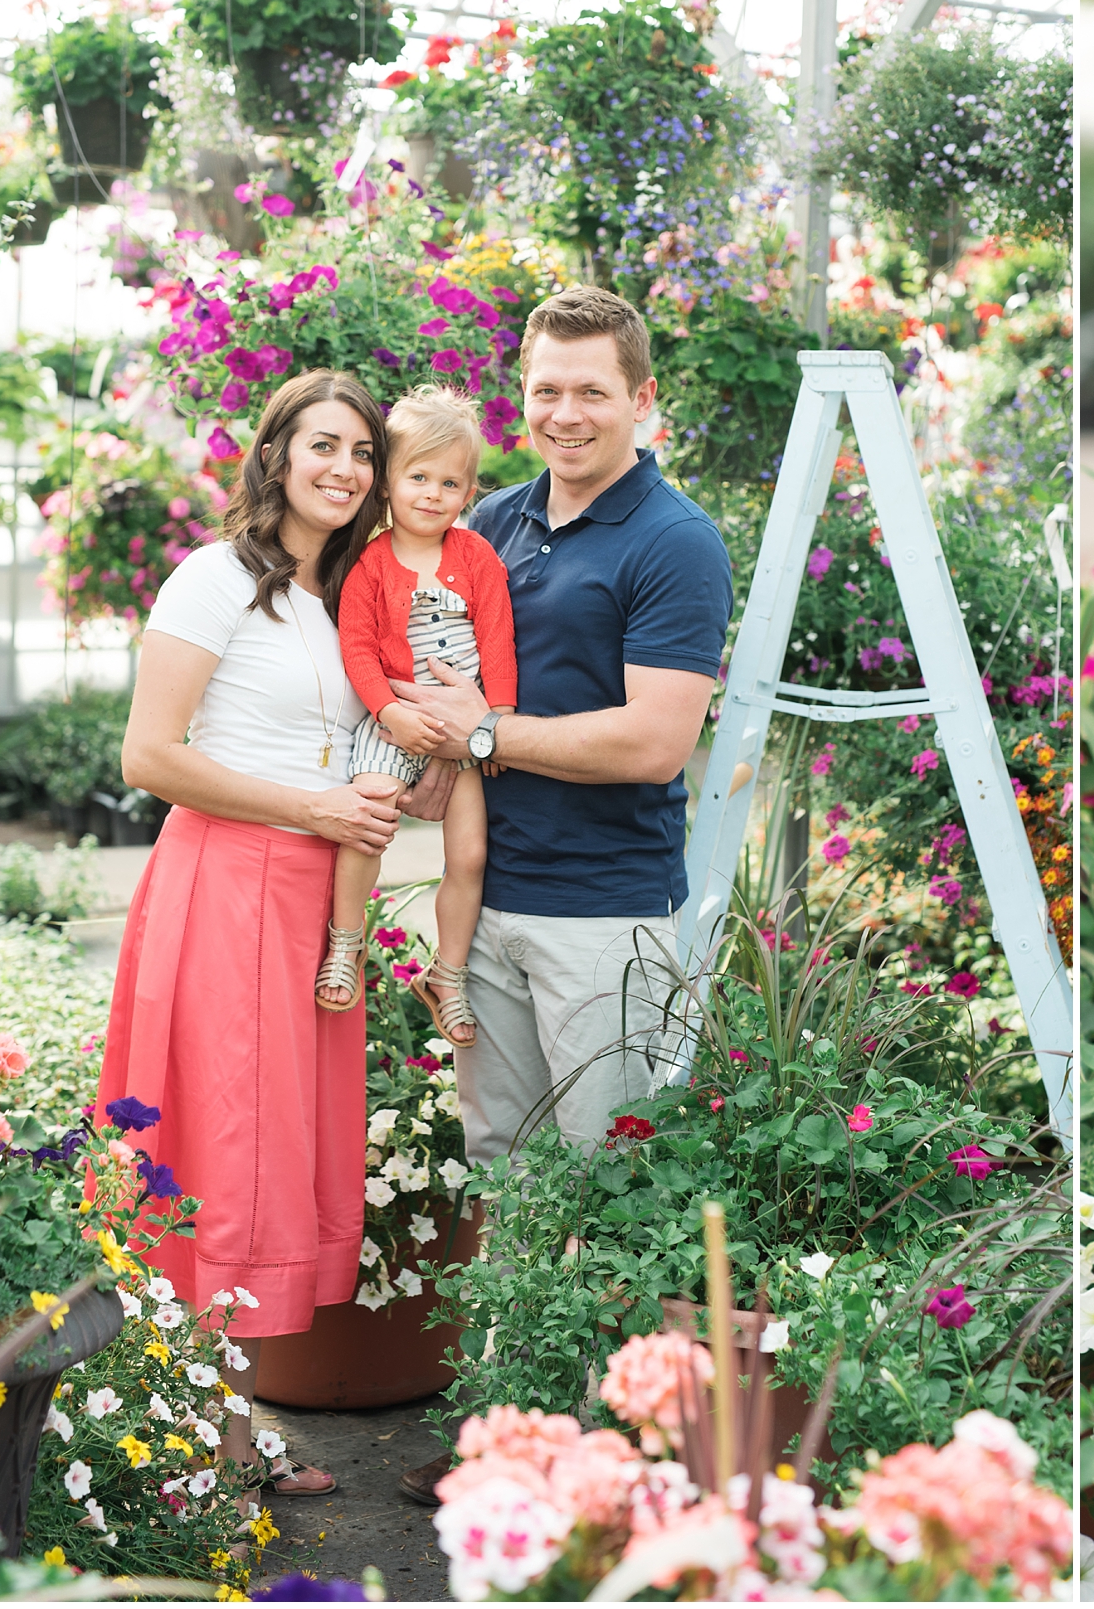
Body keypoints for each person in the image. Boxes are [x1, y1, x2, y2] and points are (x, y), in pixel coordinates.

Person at [379, 285, 731, 1506]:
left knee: (616, 1177)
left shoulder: (674, 539)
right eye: (544, 390)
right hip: (491, 895)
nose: (565, 412)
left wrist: (486, 736)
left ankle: (628, 1460)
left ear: (643, 400)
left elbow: (653, 742)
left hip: (604, 910)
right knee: (509, 1175)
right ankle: (510, 1434)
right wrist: (432, 756)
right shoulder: (490, 519)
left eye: (591, 390)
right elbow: (448, 687)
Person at [100, 370, 402, 1503]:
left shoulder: (350, 595)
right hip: (226, 887)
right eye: (323, 444)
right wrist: (316, 810)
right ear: (274, 454)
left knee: (276, 1160)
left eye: (363, 453)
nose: (346, 468)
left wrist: (384, 795)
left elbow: (345, 751)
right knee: (220, 1150)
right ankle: (190, 1432)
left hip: (315, 901)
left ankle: (230, 1424)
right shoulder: (211, 578)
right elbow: (148, 755)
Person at [326, 386, 517, 1043]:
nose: (433, 493)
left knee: (469, 854)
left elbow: (498, 641)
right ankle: (345, 942)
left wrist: (496, 723)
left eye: (450, 482)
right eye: (418, 477)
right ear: (387, 483)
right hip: (394, 723)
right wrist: (389, 712)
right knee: (365, 824)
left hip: (466, 733)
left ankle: (448, 974)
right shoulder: (371, 565)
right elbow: (356, 646)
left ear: (468, 490)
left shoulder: (477, 558)